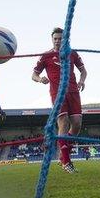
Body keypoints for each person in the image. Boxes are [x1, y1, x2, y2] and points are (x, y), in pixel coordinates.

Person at [32, 27, 87, 174]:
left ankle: (63, 156)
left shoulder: (72, 53)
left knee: (76, 125)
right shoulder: (46, 56)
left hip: (74, 91)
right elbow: (34, 74)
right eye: (55, 38)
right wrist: (40, 79)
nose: (57, 41)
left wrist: (81, 81)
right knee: (63, 123)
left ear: (65, 39)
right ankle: (66, 162)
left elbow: (83, 70)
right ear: (52, 39)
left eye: (60, 38)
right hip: (57, 93)